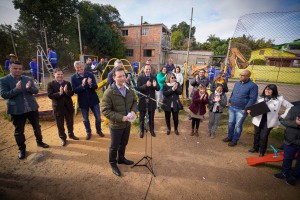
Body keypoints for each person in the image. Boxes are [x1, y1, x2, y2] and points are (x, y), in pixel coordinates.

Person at [0, 61, 49, 159]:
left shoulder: (27, 78)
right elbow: (4, 95)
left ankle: (40, 142)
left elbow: (36, 91)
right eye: (15, 68)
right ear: (10, 68)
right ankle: (22, 149)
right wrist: (16, 89)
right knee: (19, 131)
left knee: (37, 127)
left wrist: (29, 88)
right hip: (17, 110)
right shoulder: (4, 80)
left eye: (20, 68)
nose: (18, 70)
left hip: (31, 108)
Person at [101, 66, 138, 176]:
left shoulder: (129, 89)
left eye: (124, 76)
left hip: (127, 124)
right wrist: (121, 117)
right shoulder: (109, 92)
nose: (122, 78)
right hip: (116, 125)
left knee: (124, 143)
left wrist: (133, 111)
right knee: (114, 146)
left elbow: (134, 102)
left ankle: (121, 158)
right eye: (119, 76)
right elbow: (105, 110)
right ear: (114, 77)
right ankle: (113, 163)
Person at [249, 84, 293, 156]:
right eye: (266, 89)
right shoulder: (259, 98)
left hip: (269, 120)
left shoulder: (279, 99)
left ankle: (262, 151)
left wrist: (282, 116)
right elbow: (253, 106)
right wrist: (250, 110)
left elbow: (290, 106)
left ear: (274, 91)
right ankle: (255, 147)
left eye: (270, 90)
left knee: (264, 135)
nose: (267, 91)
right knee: (256, 134)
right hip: (258, 119)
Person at [223, 69, 258, 147]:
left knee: (238, 125)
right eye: (240, 75)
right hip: (232, 107)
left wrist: (246, 109)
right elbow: (233, 93)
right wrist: (230, 101)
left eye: (243, 75)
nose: (241, 76)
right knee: (230, 123)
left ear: (248, 76)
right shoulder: (237, 83)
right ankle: (229, 137)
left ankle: (235, 140)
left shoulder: (253, 86)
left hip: (241, 109)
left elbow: (253, 99)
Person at [70, 61, 104, 140]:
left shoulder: (90, 74)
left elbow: (96, 87)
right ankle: (88, 132)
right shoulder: (73, 78)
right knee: (85, 119)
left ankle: (99, 130)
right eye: (77, 68)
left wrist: (90, 84)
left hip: (93, 99)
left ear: (83, 66)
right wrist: (82, 85)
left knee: (98, 117)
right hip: (83, 101)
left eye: (80, 67)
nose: (79, 69)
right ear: (75, 68)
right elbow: (75, 90)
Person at [47, 68, 79, 146]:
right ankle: (63, 138)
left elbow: (72, 93)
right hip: (58, 108)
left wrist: (66, 91)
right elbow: (50, 95)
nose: (60, 76)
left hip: (68, 107)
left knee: (70, 122)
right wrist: (60, 93)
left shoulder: (67, 83)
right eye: (58, 74)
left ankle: (71, 134)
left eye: (61, 74)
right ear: (54, 75)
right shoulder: (51, 84)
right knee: (60, 124)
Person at [273, 105, 300, 186]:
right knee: (287, 158)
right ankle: (284, 173)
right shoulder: (294, 108)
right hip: (290, 139)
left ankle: (294, 176)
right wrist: (296, 123)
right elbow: (285, 121)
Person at [137, 64, 160, 138]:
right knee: (142, 117)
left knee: (151, 117)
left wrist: (155, 85)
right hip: (143, 100)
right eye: (146, 69)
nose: (148, 71)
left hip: (151, 100)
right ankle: (141, 131)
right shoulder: (140, 78)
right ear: (144, 70)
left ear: (151, 70)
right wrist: (146, 85)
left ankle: (152, 130)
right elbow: (138, 88)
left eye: (149, 69)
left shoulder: (154, 77)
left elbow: (158, 88)